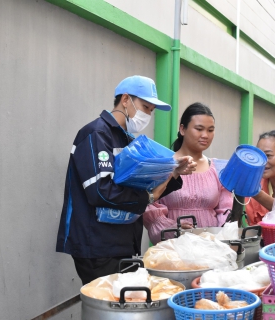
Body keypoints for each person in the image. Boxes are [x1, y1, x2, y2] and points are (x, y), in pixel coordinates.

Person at [56, 75, 196, 285]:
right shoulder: (95, 134)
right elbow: (100, 191)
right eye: (145, 107)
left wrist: (173, 173)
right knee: (110, 309)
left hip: (124, 243)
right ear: (125, 100)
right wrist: (148, 196)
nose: (148, 114)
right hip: (97, 245)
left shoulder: (130, 141)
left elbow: (144, 186)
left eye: (151, 110)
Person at [143, 103, 233, 244]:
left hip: (211, 248)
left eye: (210, 130)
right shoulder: (162, 165)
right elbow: (150, 210)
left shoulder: (218, 168)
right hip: (172, 248)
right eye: (199, 129)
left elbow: (225, 210)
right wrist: (174, 229)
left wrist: (220, 237)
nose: (205, 135)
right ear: (182, 129)